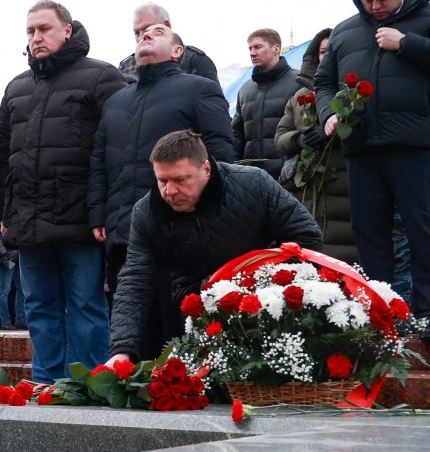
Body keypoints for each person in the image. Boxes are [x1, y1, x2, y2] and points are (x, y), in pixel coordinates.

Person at [315, 0, 430, 341]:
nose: (375, 6)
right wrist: (327, 115)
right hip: (362, 146)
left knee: (425, 231)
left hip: (414, 144)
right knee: (369, 234)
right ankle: (379, 313)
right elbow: (323, 81)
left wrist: (407, 43)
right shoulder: (346, 31)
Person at [104, 130, 322, 366]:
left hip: (264, 309)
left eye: (180, 180)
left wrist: (257, 281)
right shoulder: (146, 212)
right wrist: (122, 350)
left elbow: (306, 237)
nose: (169, 192)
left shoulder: (254, 184)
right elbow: (135, 280)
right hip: (191, 317)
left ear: (206, 169)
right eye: (162, 181)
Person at [0, 0, 127, 378]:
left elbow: (116, 150)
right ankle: (46, 382)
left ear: (67, 30)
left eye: (44, 29)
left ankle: (90, 385)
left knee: (86, 304)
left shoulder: (101, 77)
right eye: (30, 32)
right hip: (29, 222)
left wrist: (105, 211)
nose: (36, 37)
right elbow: (3, 158)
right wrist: (3, 215)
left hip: (80, 220)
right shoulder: (16, 87)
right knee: (37, 305)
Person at [90, 19, 234, 353]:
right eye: (141, 33)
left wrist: (211, 210)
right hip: (125, 231)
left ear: (178, 51)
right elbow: (99, 161)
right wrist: (99, 214)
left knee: (179, 328)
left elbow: (222, 153)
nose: (145, 35)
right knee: (134, 328)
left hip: (183, 229)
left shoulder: (199, 88)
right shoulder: (116, 102)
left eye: (158, 32)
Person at [275, 29, 357, 264]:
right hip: (307, 191)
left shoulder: (356, 93)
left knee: (346, 260)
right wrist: (300, 139)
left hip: (346, 187)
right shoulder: (300, 95)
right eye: (323, 51)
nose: (327, 56)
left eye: (333, 51)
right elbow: (280, 137)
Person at [231, 28, 296, 180]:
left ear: (276, 48)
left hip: (289, 179)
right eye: (250, 48)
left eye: (258, 47)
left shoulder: (299, 82)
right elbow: (237, 135)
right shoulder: (245, 89)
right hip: (251, 179)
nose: (252, 53)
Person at [116, 2, 220, 84]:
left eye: (148, 28)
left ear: (167, 26)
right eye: (136, 33)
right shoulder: (125, 67)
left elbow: (212, 101)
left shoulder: (195, 60)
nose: (142, 37)